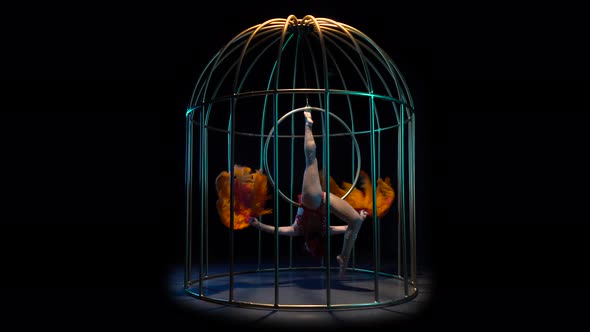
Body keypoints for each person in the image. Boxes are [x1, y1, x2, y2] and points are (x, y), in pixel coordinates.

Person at [248, 109, 368, 277]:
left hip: (312, 200)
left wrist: (257, 224)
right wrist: (361, 218)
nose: (308, 245)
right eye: (311, 247)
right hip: (323, 200)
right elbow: (348, 227)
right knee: (355, 220)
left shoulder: (299, 229)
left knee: (311, 160)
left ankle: (308, 125)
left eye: (308, 247)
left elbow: (275, 230)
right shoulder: (324, 230)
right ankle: (344, 256)